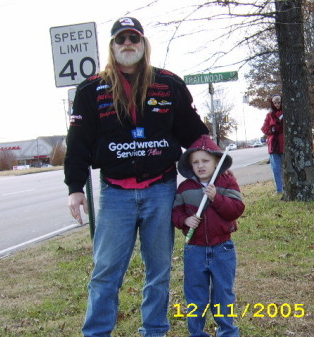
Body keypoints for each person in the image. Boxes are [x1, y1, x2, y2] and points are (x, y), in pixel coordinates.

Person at [64, 17, 209, 337]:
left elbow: (195, 134)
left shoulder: (169, 84)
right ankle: (97, 332)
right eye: (121, 39)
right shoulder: (90, 90)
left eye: (134, 38)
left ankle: (154, 330)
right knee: (106, 272)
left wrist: (213, 166)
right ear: (112, 46)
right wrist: (75, 187)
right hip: (116, 193)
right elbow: (77, 145)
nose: (127, 44)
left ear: (143, 44)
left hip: (161, 189)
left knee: (159, 270)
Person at [172, 135, 245, 337]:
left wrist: (215, 197)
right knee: (196, 294)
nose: (200, 166)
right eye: (195, 162)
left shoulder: (227, 183)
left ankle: (228, 331)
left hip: (222, 248)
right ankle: (197, 332)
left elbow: (236, 210)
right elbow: (175, 213)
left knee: (223, 293)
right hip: (194, 250)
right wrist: (184, 221)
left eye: (205, 161)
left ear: (216, 162)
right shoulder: (185, 187)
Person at [261, 94, 284, 193]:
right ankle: (279, 190)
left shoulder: (286, 112)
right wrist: (273, 129)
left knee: (285, 168)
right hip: (273, 146)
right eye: (275, 102)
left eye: (279, 102)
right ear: (272, 103)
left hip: (284, 145)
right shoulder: (269, 115)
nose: (277, 104)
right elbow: (264, 128)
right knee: (276, 169)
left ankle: (286, 188)